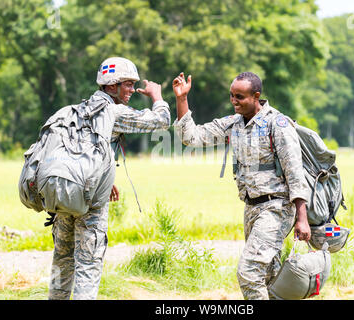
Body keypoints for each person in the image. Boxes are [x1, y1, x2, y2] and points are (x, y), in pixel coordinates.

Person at [172, 71, 310, 300]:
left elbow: (295, 172)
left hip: (277, 208)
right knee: (269, 276)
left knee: (249, 272)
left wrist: (302, 218)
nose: (234, 101)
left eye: (240, 97)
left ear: (256, 96)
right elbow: (192, 138)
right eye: (231, 96)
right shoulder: (233, 124)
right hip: (251, 208)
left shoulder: (278, 124)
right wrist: (181, 99)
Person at [48, 57, 170, 300]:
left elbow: (81, 152)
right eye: (127, 84)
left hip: (63, 198)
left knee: (61, 262)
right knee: (88, 266)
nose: (132, 90)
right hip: (90, 202)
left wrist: (105, 177)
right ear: (111, 86)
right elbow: (162, 121)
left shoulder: (78, 109)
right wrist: (157, 97)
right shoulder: (113, 112)